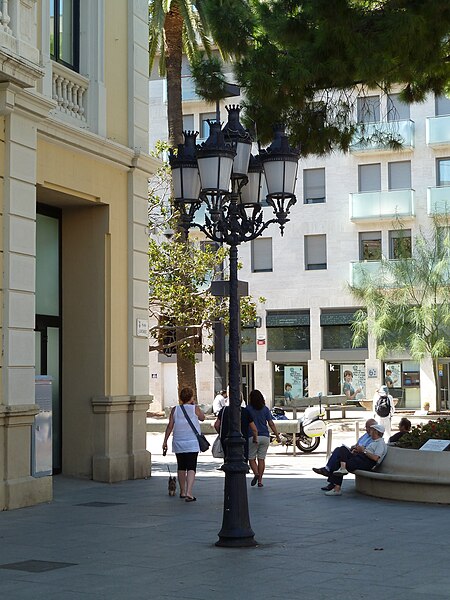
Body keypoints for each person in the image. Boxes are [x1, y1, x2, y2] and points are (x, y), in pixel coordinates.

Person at [162, 387, 205, 502]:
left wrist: (165, 441)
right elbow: (203, 418)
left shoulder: (175, 409)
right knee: (191, 467)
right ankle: (189, 492)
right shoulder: (195, 408)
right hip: (192, 442)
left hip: (178, 441)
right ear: (191, 397)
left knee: (181, 466)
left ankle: (182, 491)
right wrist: (194, 405)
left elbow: (170, 426)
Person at [312, 418, 377, 491]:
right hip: (355, 453)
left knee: (340, 455)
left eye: (368, 427)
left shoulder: (375, 439)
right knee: (339, 451)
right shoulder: (365, 435)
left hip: (360, 457)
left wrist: (361, 450)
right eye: (366, 427)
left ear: (373, 428)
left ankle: (329, 475)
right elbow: (357, 444)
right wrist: (354, 447)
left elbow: (370, 453)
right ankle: (333, 482)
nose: (366, 429)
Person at [324, 423, 388, 496]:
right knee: (342, 449)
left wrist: (363, 451)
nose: (370, 432)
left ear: (376, 432)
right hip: (361, 459)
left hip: (366, 462)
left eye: (372, 430)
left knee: (338, 461)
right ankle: (342, 469)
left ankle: (337, 487)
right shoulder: (375, 442)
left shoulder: (380, 444)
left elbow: (376, 458)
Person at [247, 389, 281, 488]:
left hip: (252, 436)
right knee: (261, 459)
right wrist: (277, 435)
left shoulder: (248, 409)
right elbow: (271, 423)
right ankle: (260, 481)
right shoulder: (265, 409)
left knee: (251, 458)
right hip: (265, 436)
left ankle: (256, 473)